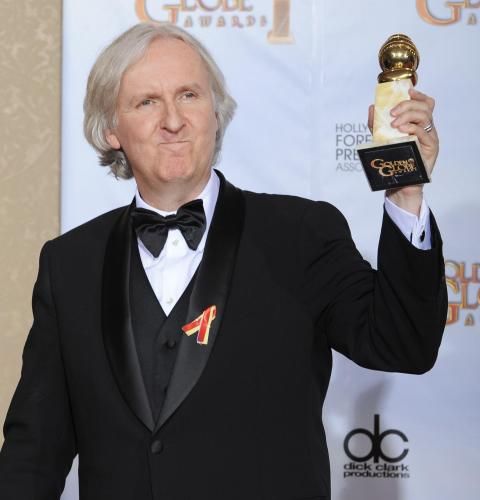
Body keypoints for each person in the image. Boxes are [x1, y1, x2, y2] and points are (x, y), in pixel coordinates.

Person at [0, 22, 447, 500]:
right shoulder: (70, 264)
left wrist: (404, 189)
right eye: (146, 102)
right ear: (111, 130)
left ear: (216, 111)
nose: (172, 120)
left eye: (189, 95)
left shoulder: (299, 233)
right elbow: (34, 454)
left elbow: (404, 344)